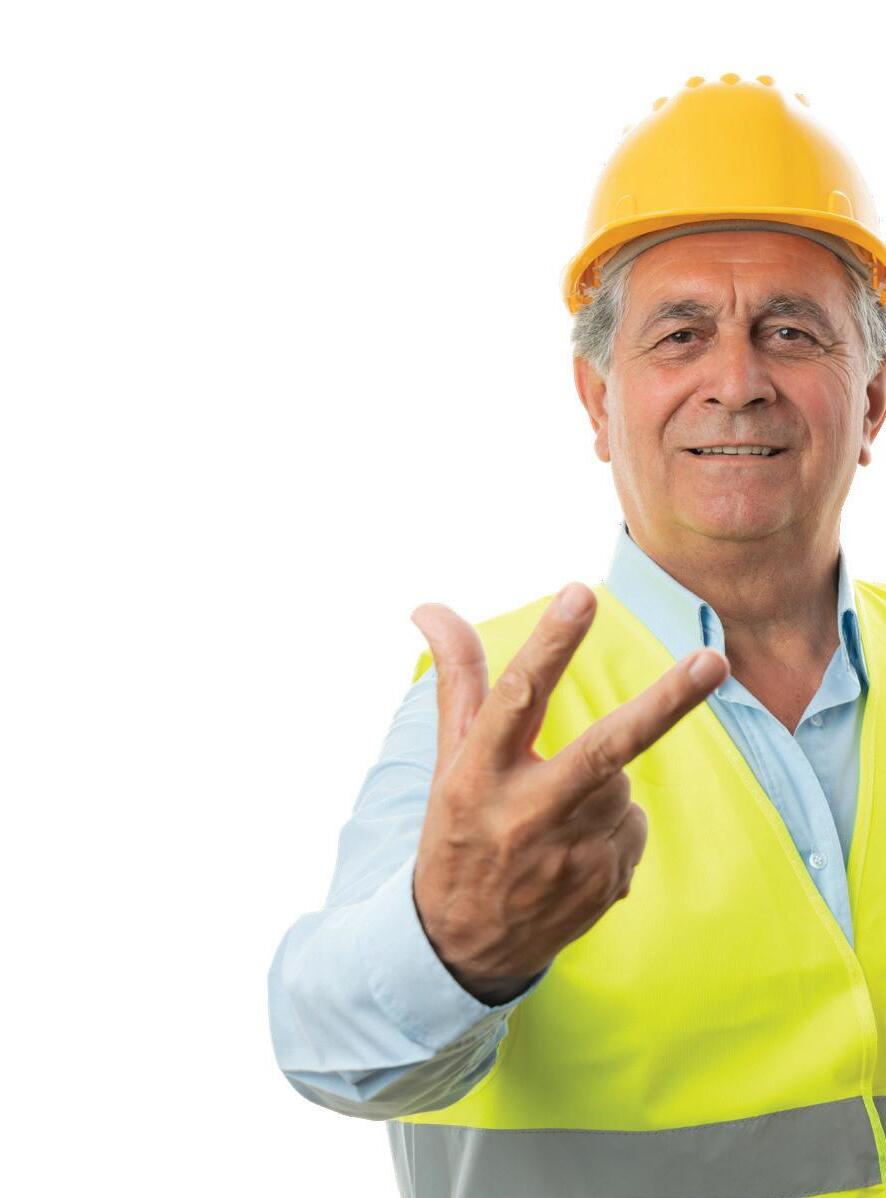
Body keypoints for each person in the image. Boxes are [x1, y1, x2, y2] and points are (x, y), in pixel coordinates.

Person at [267, 73, 886, 1197]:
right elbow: (324, 1041)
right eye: (681, 335)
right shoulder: (493, 709)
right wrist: (454, 942)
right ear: (599, 403)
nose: (737, 382)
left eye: (791, 333)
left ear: (874, 399)